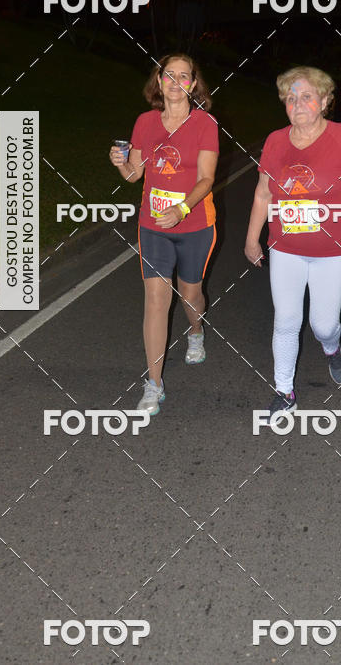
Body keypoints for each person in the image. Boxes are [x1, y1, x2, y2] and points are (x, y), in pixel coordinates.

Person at [244, 66, 341, 418]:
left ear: (325, 101)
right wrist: (252, 238)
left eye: (307, 97)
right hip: (285, 248)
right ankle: (284, 391)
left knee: (323, 325)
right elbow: (263, 193)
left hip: (332, 250)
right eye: (291, 98)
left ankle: (332, 349)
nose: (297, 104)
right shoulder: (275, 141)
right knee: (286, 321)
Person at [109, 53, 219, 415]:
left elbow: (206, 178)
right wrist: (121, 163)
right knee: (156, 298)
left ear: (193, 84)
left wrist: (182, 208)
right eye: (168, 75)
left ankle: (196, 330)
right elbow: (134, 175)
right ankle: (154, 383)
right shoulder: (145, 122)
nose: (175, 82)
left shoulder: (204, 124)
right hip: (153, 224)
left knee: (190, 294)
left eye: (183, 76)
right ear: (159, 81)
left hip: (195, 223)